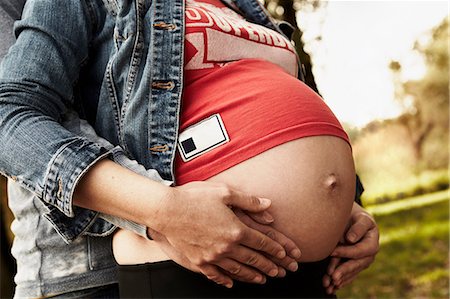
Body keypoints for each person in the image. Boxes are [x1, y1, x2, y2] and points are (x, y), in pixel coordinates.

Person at [0, 0, 379, 298]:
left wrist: (345, 205)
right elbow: (11, 115)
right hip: (188, 259)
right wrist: (164, 210)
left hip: (304, 266)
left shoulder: (247, 6)